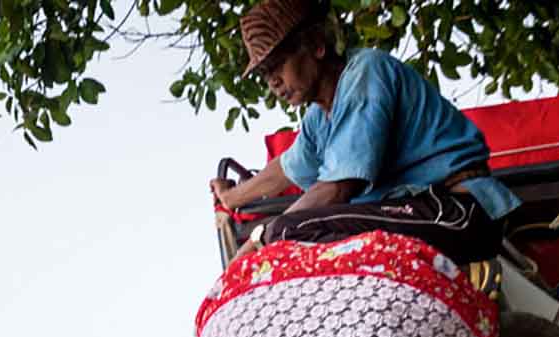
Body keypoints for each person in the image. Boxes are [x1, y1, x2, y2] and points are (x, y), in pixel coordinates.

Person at [209, 0, 521, 263]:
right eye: (265, 73)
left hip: (455, 210)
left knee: (286, 231)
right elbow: (287, 169)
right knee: (288, 234)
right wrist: (231, 197)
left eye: (278, 64)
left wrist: (259, 240)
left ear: (317, 45)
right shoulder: (319, 118)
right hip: (415, 211)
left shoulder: (366, 74)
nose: (273, 81)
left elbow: (337, 189)